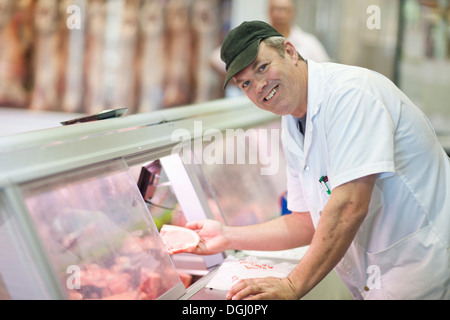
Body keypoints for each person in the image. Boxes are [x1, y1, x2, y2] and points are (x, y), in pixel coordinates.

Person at [180, 20, 450, 300]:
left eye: (262, 67)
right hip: (384, 275)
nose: (259, 86)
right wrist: (227, 236)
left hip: (424, 265)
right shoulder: (293, 120)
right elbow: (306, 221)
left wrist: (292, 285)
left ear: (290, 52)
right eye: (246, 83)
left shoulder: (351, 94)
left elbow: (350, 205)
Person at [209, 0, 329, 97]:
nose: (279, 14)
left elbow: (324, 75)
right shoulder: (253, 41)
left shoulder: (309, 43)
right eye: (274, 9)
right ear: (268, 11)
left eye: (284, 9)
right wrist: (242, 83)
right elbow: (214, 59)